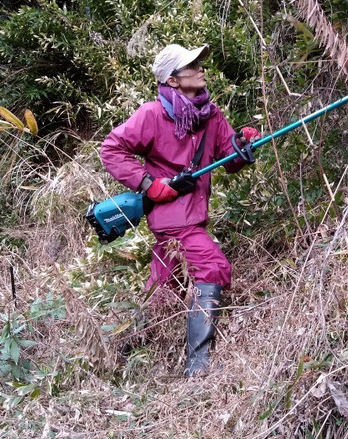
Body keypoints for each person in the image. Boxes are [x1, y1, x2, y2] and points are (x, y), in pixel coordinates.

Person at [100, 43, 260, 376]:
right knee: (212, 268)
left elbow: (228, 159)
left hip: (194, 216)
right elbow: (112, 149)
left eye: (199, 63)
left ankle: (119, 355)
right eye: (192, 65)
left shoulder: (210, 115)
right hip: (172, 218)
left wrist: (242, 146)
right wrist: (149, 184)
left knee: (163, 293)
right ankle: (197, 369)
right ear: (172, 80)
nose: (200, 69)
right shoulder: (152, 114)